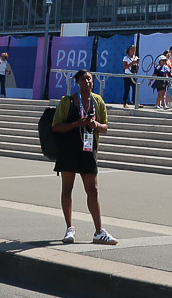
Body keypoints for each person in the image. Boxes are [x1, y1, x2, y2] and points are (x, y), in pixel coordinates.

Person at [50, 69, 118, 245]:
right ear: (77, 82)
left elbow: (105, 127)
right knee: (67, 188)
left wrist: (95, 124)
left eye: (89, 78)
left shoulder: (98, 101)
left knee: (93, 190)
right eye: (83, 79)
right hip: (68, 149)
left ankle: (98, 231)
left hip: (88, 149)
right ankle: (69, 229)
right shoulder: (67, 101)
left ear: (93, 81)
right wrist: (77, 124)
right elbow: (56, 127)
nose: (86, 81)